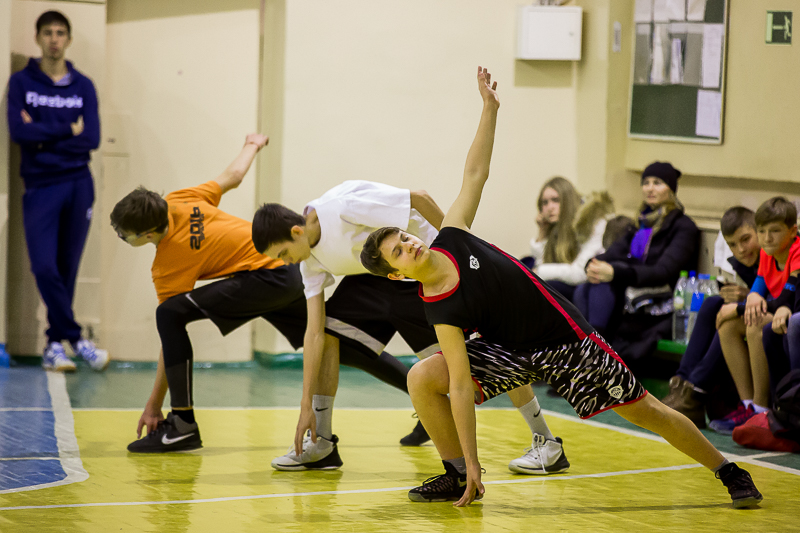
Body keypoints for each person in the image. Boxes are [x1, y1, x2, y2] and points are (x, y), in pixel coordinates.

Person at [360, 66, 761, 509]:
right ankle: (456, 475)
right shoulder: (438, 307)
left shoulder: (453, 234)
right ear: (397, 274)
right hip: (509, 350)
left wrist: (490, 108)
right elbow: (458, 385)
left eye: (405, 236)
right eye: (399, 251)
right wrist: (472, 462)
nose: (410, 244)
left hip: (565, 340)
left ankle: (729, 471)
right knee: (422, 377)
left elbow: (475, 171)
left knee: (646, 410)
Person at [253, 181, 567, 474]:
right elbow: (313, 333)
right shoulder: (309, 261)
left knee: (479, 355)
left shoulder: (343, 206)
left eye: (283, 254)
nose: (286, 262)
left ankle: (547, 443)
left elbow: (419, 198)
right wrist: (305, 405)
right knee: (327, 331)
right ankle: (320, 441)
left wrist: (461, 248)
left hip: (424, 272)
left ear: (297, 231)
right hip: (377, 281)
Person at [113, 134, 311, 453]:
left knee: (169, 314)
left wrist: (153, 405)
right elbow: (234, 176)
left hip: (268, 277)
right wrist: (253, 144)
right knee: (338, 342)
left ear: (147, 234)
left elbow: (169, 336)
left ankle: (182, 424)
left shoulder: (167, 265)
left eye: (125, 236)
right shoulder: (179, 200)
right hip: (286, 268)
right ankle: (405, 385)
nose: (123, 239)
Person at [6, 10, 106, 372]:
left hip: (79, 183)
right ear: (37, 38)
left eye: (60, 32)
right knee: (45, 266)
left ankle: (53, 344)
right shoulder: (22, 83)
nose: (54, 39)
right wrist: (67, 129)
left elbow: (91, 138)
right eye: (47, 32)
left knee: (67, 267)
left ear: (69, 39)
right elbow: (19, 133)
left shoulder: (83, 86)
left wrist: (43, 135)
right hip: (40, 184)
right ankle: (76, 338)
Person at [573, 161, 699, 366]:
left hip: (662, 297)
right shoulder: (641, 224)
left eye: (657, 183)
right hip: (632, 290)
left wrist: (615, 273)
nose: (650, 188)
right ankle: (590, 355)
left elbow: (663, 271)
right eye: (646, 183)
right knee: (583, 289)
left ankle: (594, 359)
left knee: (602, 287)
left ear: (670, 189)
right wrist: (592, 265)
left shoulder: (683, 227)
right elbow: (613, 253)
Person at [662, 207, 761, 428]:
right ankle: (681, 385)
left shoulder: (772, 257)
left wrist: (745, 299)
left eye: (745, 239)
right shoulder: (746, 263)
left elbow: (781, 298)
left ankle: (696, 392)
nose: (741, 249)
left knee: (728, 317)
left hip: (776, 318)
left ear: (759, 232)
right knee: (712, 304)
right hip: (759, 314)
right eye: (733, 245)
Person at [712, 197, 800, 434]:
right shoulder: (768, 255)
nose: (767, 238)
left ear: (792, 231)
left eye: (774, 231)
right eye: (762, 231)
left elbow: (786, 301)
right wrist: (749, 299)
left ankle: (761, 409)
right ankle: (747, 404)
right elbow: (757, 292)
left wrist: (739, 308)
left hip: (792, 316)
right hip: (779, 315)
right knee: (729, 325)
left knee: (755, 322)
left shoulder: (796, 251)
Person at [529, 176, 614, 301]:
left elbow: (580, 272)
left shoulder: (592, 221)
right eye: (545, 202)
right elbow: (542, 264)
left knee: (544, 287)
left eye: (555, 200)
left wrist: (540, 271)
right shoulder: (557, 227)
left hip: (592, 287)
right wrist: (543, 231)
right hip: (574, 285)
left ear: (567, 200)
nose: (550, 207)